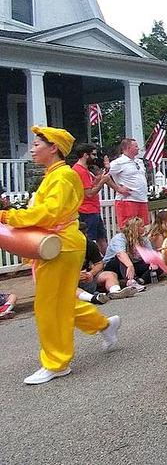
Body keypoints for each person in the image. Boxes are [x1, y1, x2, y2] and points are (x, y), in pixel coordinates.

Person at [0, 126, 120, 385]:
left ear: (53, 148)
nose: (32, 148)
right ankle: (104, 325)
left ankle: (56, 362)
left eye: (37, 144)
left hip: (61, 245)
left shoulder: (62, 176)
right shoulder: (56, 175)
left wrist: (8, 216)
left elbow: (48, 214)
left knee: (48, 306)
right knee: (62, 301)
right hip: (62, 244)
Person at [77, 220, 136, 303]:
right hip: (71, 280)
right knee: (68, 286)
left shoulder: (89, 244)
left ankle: (115, 292)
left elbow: (99, 263)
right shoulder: (63, 249)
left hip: (88, 277)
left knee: (110, 274)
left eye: (85, 233)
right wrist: (74, 276)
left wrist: (91, 273)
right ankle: (93, 298)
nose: (84, 236)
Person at [71, 143, 109, 254]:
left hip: (93, 209)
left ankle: (106, 262)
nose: (95, 157)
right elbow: (89, 194)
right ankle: (91, 264)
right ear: (85, 155)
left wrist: (100, 178)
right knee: (89, 240)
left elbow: (90, 185)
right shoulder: (80, 171)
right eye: (93, 154)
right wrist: (102, 182)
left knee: (101, 238)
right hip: (86, 211)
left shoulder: (85, 170)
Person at [102, 216, 157, 290]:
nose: (145, 228)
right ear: (135, 228)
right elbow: (120, 254)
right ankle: (130, 281)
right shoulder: (119, 238)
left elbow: (150, 254)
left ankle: (140, 281)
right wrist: (130, 265)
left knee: (157, 264)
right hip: (115, 265)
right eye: (142, 226)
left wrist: (153, 262)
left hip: (133, 264)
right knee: (122, 258)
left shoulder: (143, 239)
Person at [106, 137, 149, 228]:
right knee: (129, 229)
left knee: (143, 228)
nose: (138, 148)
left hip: (142, 199)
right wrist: (118, 189)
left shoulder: (139, 162)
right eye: (136, 146)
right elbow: (105, 177)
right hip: (127, 200)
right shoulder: (118, 163)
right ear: (128, 148)